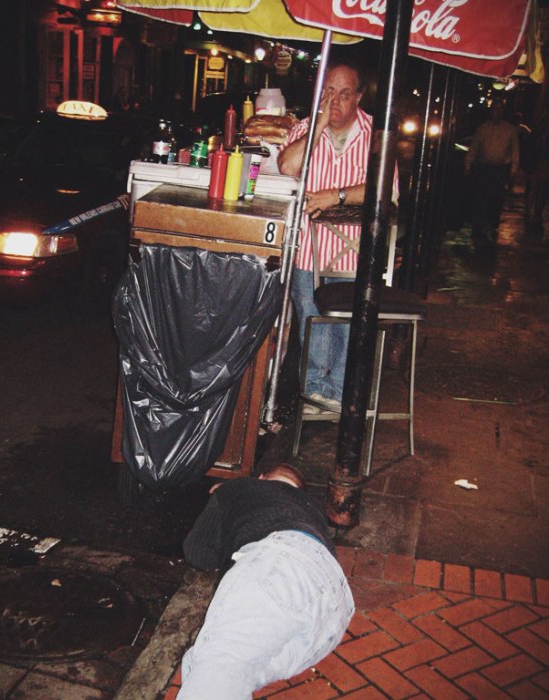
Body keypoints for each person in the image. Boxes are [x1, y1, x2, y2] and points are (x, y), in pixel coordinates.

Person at [177, 463, 354, 699]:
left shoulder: (242, 487)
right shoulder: (311, 511)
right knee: (221, 672)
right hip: (334, 609)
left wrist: (227, 502)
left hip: (279, 566)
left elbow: (197, 552)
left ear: (261, 477)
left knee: (219, 667)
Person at [277, 60, 372, 412]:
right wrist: (317, 125)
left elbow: (386, 190)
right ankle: (314, 392)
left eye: (344, 94)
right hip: (307, 251)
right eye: (329, 92)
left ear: (359, 97)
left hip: (355, 255)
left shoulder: (376, 135)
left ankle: (338, 395)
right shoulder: (304, 129)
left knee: (347, 327)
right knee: (311, 320)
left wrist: (337, 195)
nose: (335, 101)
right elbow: (287, 166)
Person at [465, 100, 519, 255]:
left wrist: (513, 169)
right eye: (494, 110)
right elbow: (474, 147)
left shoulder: (510, 130)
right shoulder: (483, 129)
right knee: (480, 197)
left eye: (500, 110)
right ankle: (478, 227)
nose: (497, 112)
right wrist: (468, 164)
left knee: (496, 198)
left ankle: (492, 223)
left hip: (500, 169)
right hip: (484, 167)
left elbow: (514, 150)